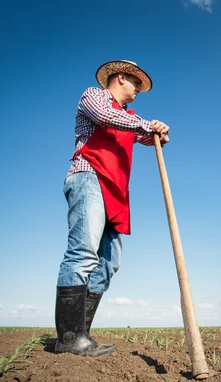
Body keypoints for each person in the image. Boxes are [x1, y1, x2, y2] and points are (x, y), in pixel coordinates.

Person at [54, 60, 169, 358]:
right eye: (136, 84)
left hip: (114, 191)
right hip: (89, 177)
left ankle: (82, 334)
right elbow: (108, 119)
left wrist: (159, 132)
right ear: (120, 78)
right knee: (83, 252)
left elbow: (146, 136)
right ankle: (68, 339)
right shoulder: (93, 96)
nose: (139, 90)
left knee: (108, 263)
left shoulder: (129, 117)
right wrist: (146, 124)